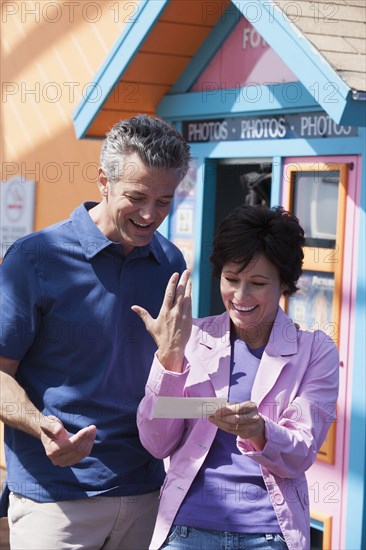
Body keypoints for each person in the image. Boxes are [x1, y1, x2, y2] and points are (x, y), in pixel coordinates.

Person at [0, 114, 190, 549]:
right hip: (56, 499)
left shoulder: (171, 263)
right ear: (103, 180)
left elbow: (173, 376)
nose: (150, 215)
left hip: (146, 492)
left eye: (164, 200)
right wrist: (40, 426)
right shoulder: (36, 258)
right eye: (137, 197)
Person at [134, 205, 339, 550]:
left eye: (258, 283)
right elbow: (156, 443)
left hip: (270, 535)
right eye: (231, 280)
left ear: (285, 283)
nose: (240, 297)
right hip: (187, 531)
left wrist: (259, 430)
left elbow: (301, 453)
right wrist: (170, 360)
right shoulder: (191, 338)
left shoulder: (315, 351)